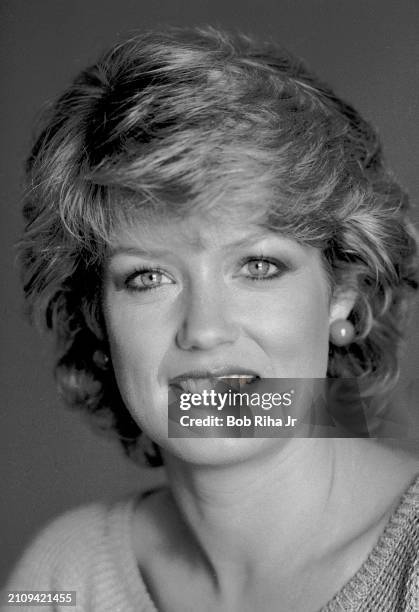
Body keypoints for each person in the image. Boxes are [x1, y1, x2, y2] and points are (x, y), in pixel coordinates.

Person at [3, 26, 418, 611]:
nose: (203, 330)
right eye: (148, 277)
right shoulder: (60, 577)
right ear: (97, 315)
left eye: (257, 265)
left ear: (343, 292)